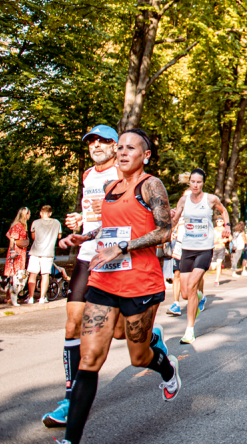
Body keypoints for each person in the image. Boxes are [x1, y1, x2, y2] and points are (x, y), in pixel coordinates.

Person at [55, 128, 180, 444]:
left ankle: (167, 369)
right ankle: (70, 440)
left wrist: (123, 247)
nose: (123, 152)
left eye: (131, 148)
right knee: (90, 359)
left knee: (138, 357)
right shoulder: (110, 186)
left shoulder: (151, 185)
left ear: (145, 155)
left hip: (141, 285)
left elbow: (164, 232)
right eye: (120, 147)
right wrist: (85, 236)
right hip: (105, 280)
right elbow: (109, 229)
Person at [44, 126, 140, 429]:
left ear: (115, 146)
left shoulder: (126, 172)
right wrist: (79, 223)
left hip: (115, 257)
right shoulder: (87, 175)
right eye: (91, 142)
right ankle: (70, 396)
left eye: (103, 141)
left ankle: (151, 341)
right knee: (73, 322)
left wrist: (113, 206)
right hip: (88, 254)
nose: (96, 145)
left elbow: (136, 214)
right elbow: (89, 213)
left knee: (121, 332)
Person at [169, 168, 227, 344]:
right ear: (189, 182)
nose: (195, 185)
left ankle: (189, 330)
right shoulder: (183, 200)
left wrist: (227, 226)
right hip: (187, 249)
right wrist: (168, 228)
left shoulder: (211, 199)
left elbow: (223, 211)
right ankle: (199, 296)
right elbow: (175, 219)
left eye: (199, 182)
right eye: (193, 182)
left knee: (193, 284)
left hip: (204, 249)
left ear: (203, 183)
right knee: (186, 294)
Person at [28, 205, 62, 304]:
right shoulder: (56, 223)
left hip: (35, 251)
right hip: (48, 252)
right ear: (50, 213)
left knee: (32, 274)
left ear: (40, 213)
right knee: (45, 275)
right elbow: (59, 236)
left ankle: (30, 298)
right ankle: (42, 297)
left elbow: (33, 237)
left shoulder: (35, 222)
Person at [4, 207, 31, 306]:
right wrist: (12, 250)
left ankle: (11, 296)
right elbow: (12, 238)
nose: (29, 216)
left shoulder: (20, 225)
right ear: (25, 215)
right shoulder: (18, 226)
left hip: (20, 252)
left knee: (15, 274)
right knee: (14, 274)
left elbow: (8, 234)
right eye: (28, 214)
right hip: (17, 252)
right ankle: (9, 297)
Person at [212, 218, 230, 285]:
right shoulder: (213, 229)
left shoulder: (224, 229)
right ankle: (219, 267)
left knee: (219, 263)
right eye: (217, 221)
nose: (219, 222)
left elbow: (230, 237)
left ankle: (217, 280)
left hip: (221, 247)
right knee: (213, 267)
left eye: (220, 221)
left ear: (223, 222)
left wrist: (226, 240)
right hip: (214, 248)